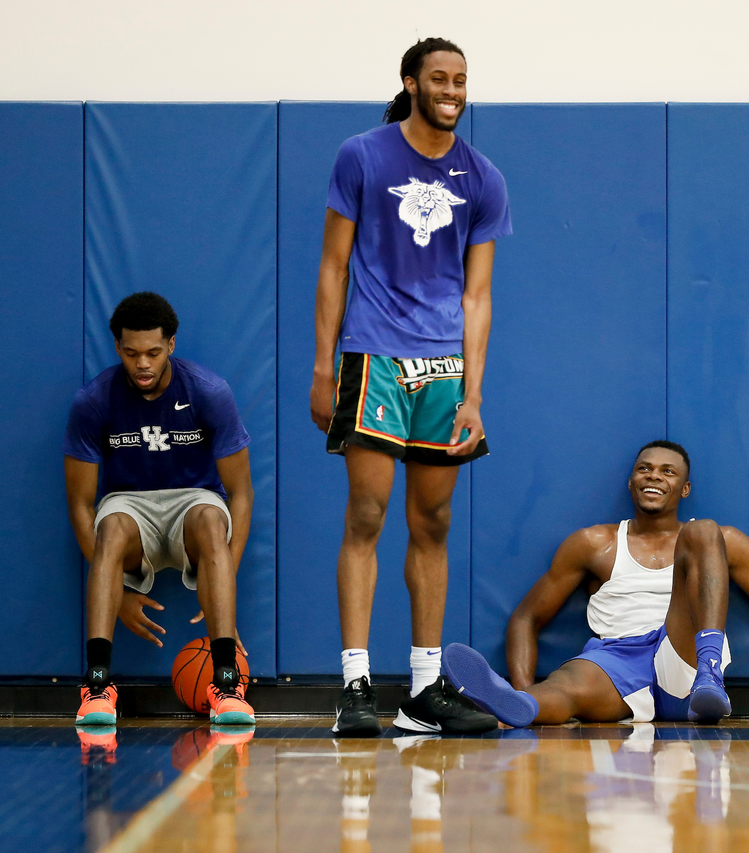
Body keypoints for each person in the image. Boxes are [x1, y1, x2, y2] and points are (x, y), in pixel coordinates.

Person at [310, 36, 512, 737]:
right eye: (440, 77)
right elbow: (333, 267)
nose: (453, 88)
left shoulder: (483, 178)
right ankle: (356, 685)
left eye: (461, 78)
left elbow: (478, 297)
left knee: (433, 523)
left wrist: (474, 395)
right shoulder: (362, 155)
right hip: (372, 358)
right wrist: (322, 366)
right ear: (412, 82)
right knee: (366, 514)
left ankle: (424, 690)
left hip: (442, 370)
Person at [443, 440, 749, 726]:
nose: (654, 475)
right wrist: (523, 682)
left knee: (706, 533)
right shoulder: (594, 544)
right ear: (631, 483)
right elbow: (526, 618)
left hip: (683, 659)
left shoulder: (721, 543)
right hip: (615, 658)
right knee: (565, 687)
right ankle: (520, 704)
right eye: (645, 469)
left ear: (684, 489)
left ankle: (710, 674)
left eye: (668, 471)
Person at [64, 292, 256, 727]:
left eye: (153, 352)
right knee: (109, 527)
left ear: (171, 344)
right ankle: (96, 687)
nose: (143, 364)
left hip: (193, 499)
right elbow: (79, 504)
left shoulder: (209, 392)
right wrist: (119, 597)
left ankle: (227, 684)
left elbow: (240, 493)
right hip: (130, 506)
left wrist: (224, 573)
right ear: (117, 349)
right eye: (132, 354)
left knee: (211, 520)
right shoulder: (94, 401)